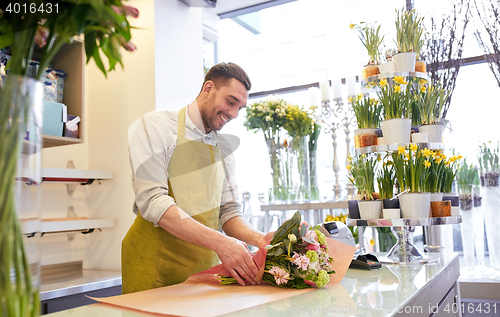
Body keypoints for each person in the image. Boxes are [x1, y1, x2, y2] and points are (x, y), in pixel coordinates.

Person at [122, 62, 269, 294]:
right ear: (208, 88)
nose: (233, 114)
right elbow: (153, 202)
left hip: (204, 271)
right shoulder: (154, 127)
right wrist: (221, 243)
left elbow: (228, 211)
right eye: (231, 102)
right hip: (153, 266)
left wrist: (260, 239)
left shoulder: (223, 148)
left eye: (240, 108)